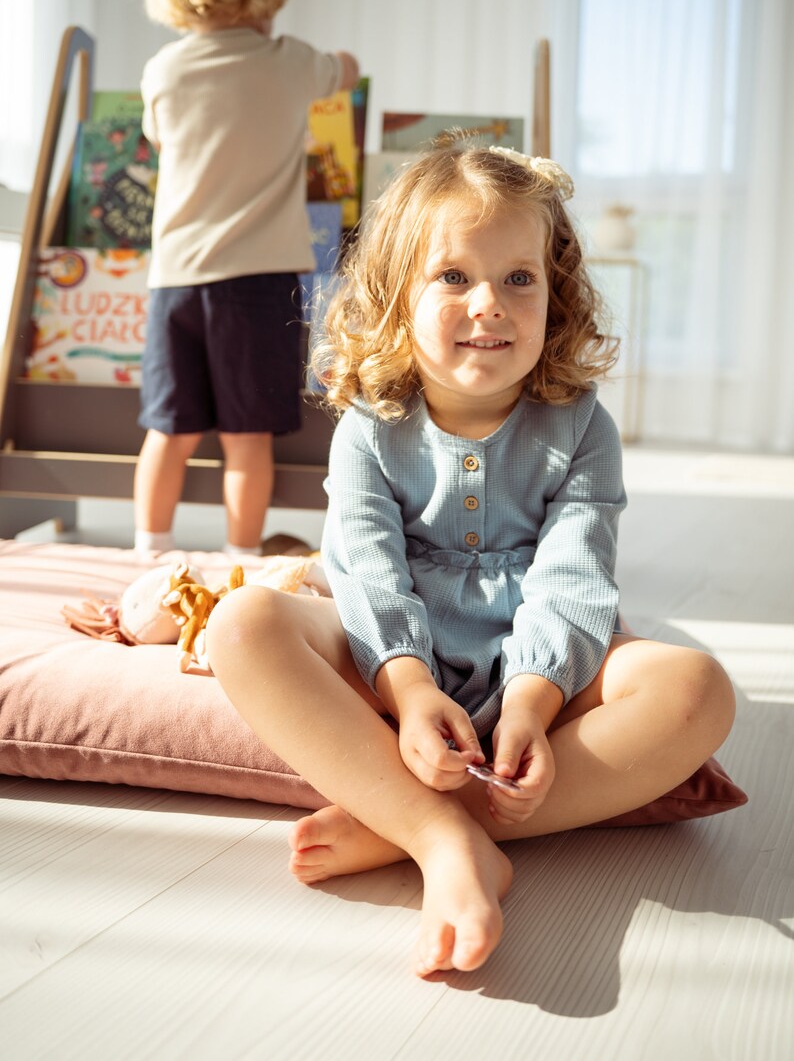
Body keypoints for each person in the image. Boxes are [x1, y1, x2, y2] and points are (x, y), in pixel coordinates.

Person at [205, 145, 736, 976]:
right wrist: (409, 689)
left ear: (555, 295)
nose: (489, 302)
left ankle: (411, 826)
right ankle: (444, 834)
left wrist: (530, 701)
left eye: (519, 278)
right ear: (394, 297)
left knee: (696, 689)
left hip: (545, 673)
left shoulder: (582, 427)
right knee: (241, 626)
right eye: (453, 276)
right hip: (388, 671)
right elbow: (367, 574)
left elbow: (574, 580)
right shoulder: (368, 429)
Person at [133, 0, 359, 556]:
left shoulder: (164, 72)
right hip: (259, 280)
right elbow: (345, 70)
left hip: (176, 279)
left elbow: (161, 136)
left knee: (166, 430)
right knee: (247, 437)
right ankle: (242, 559)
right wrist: (340, 64)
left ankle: (150, 549)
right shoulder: (292, 63)